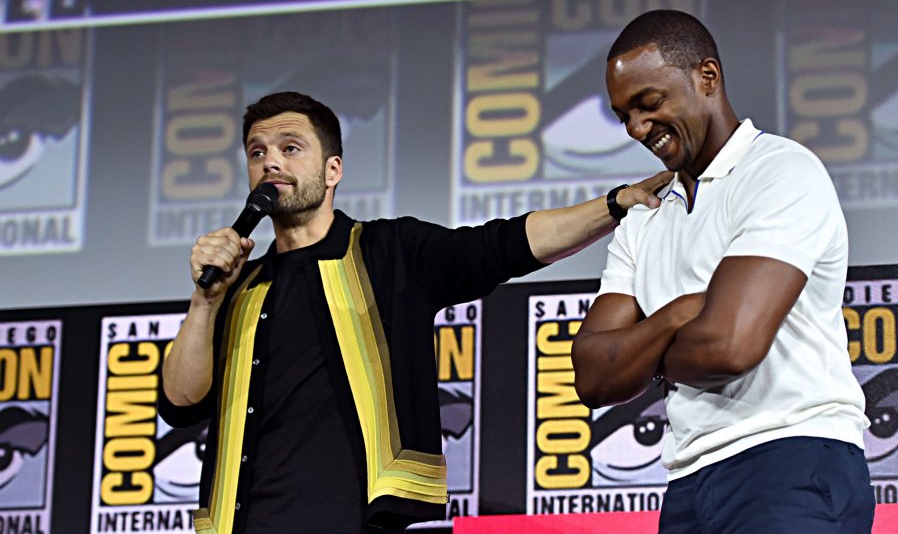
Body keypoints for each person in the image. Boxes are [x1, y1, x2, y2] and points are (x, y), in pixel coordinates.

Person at [157, 91, 671, 534]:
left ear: (333, 169)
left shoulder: (389, 250)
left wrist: (615, 203)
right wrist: (205, 301)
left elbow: (506, 244)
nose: (271, 162)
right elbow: (181, 401)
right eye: (258, 152)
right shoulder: (240, 286)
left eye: (291, 149)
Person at [571, 10, 875, 533]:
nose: (638, 129)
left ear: (706, 77)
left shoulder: (779, 171)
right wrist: (676, 317)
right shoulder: (643, 218)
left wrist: (642, 354)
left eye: (649, 104)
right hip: (688, 483)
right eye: (624, 115)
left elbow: (729, 346)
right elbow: (594, 377)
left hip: (791, 459)